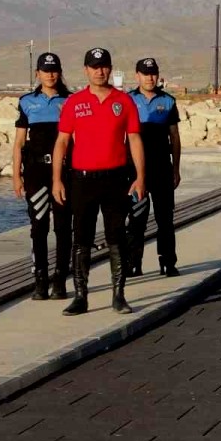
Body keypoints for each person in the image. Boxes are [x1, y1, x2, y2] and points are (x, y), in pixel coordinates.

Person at [51, 48, 146, 316]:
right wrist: (57, 179)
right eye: (94, 66)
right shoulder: (74, 102)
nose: (100, 71)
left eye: (104, 66)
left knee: (117, 237)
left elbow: (135, 140)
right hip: (82, 180)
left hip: (116, 178)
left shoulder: (124, 102)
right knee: (81, 238)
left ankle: (119, 294)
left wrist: (140, 177)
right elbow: (62, 142)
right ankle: (81, 297)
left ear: (110, 68)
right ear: (86, 70)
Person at [11, 52, 73, 301]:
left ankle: (60, 280)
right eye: (45, 70)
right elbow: (18, 144)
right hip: (36, 172)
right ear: (37, 73)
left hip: (64, 172)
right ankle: (40, 280)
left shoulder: (70, 101)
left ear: (59, 72)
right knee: (38, 228)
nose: (50, 74)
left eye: (54, 69)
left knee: (63, 228)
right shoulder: (27, 102)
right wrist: (16, 176)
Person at [126, 58, 182, 278]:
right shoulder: (128, 100)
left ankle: (168, 263)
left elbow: (175, 137)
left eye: (153, 73)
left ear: (158, 76)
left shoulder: (167, 101)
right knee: (137, 218)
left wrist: (176, 169)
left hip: (161, 168)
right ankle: (133, 263)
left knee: (165, 219)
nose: (150, 78)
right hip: (134, 170)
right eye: (145, 73)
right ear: (137, 76)